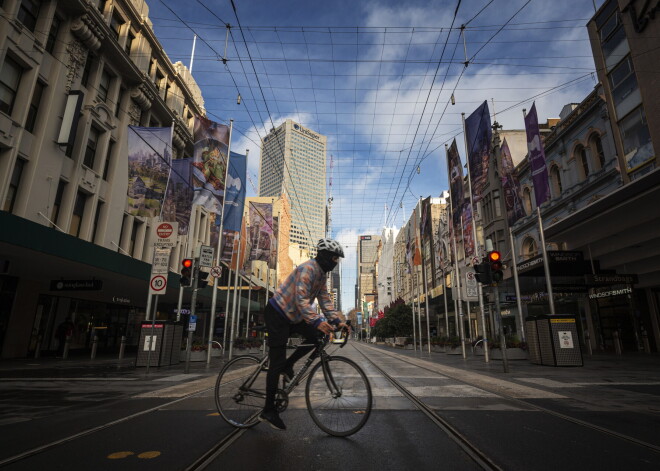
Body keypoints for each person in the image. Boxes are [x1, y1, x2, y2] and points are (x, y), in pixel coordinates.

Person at [260, 238, 349, 431]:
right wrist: (317, 321)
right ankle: (268, 410)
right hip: (278, 312)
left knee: (318, 338)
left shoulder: (322, 276)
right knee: (276, 360)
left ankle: (288, 365)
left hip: (295, 316)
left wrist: (336, 321)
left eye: (338, 259)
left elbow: (324, 300)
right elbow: (301, 299)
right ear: (325, 256)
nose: (336, 262)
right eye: (335, 258)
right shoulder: (308, 269)